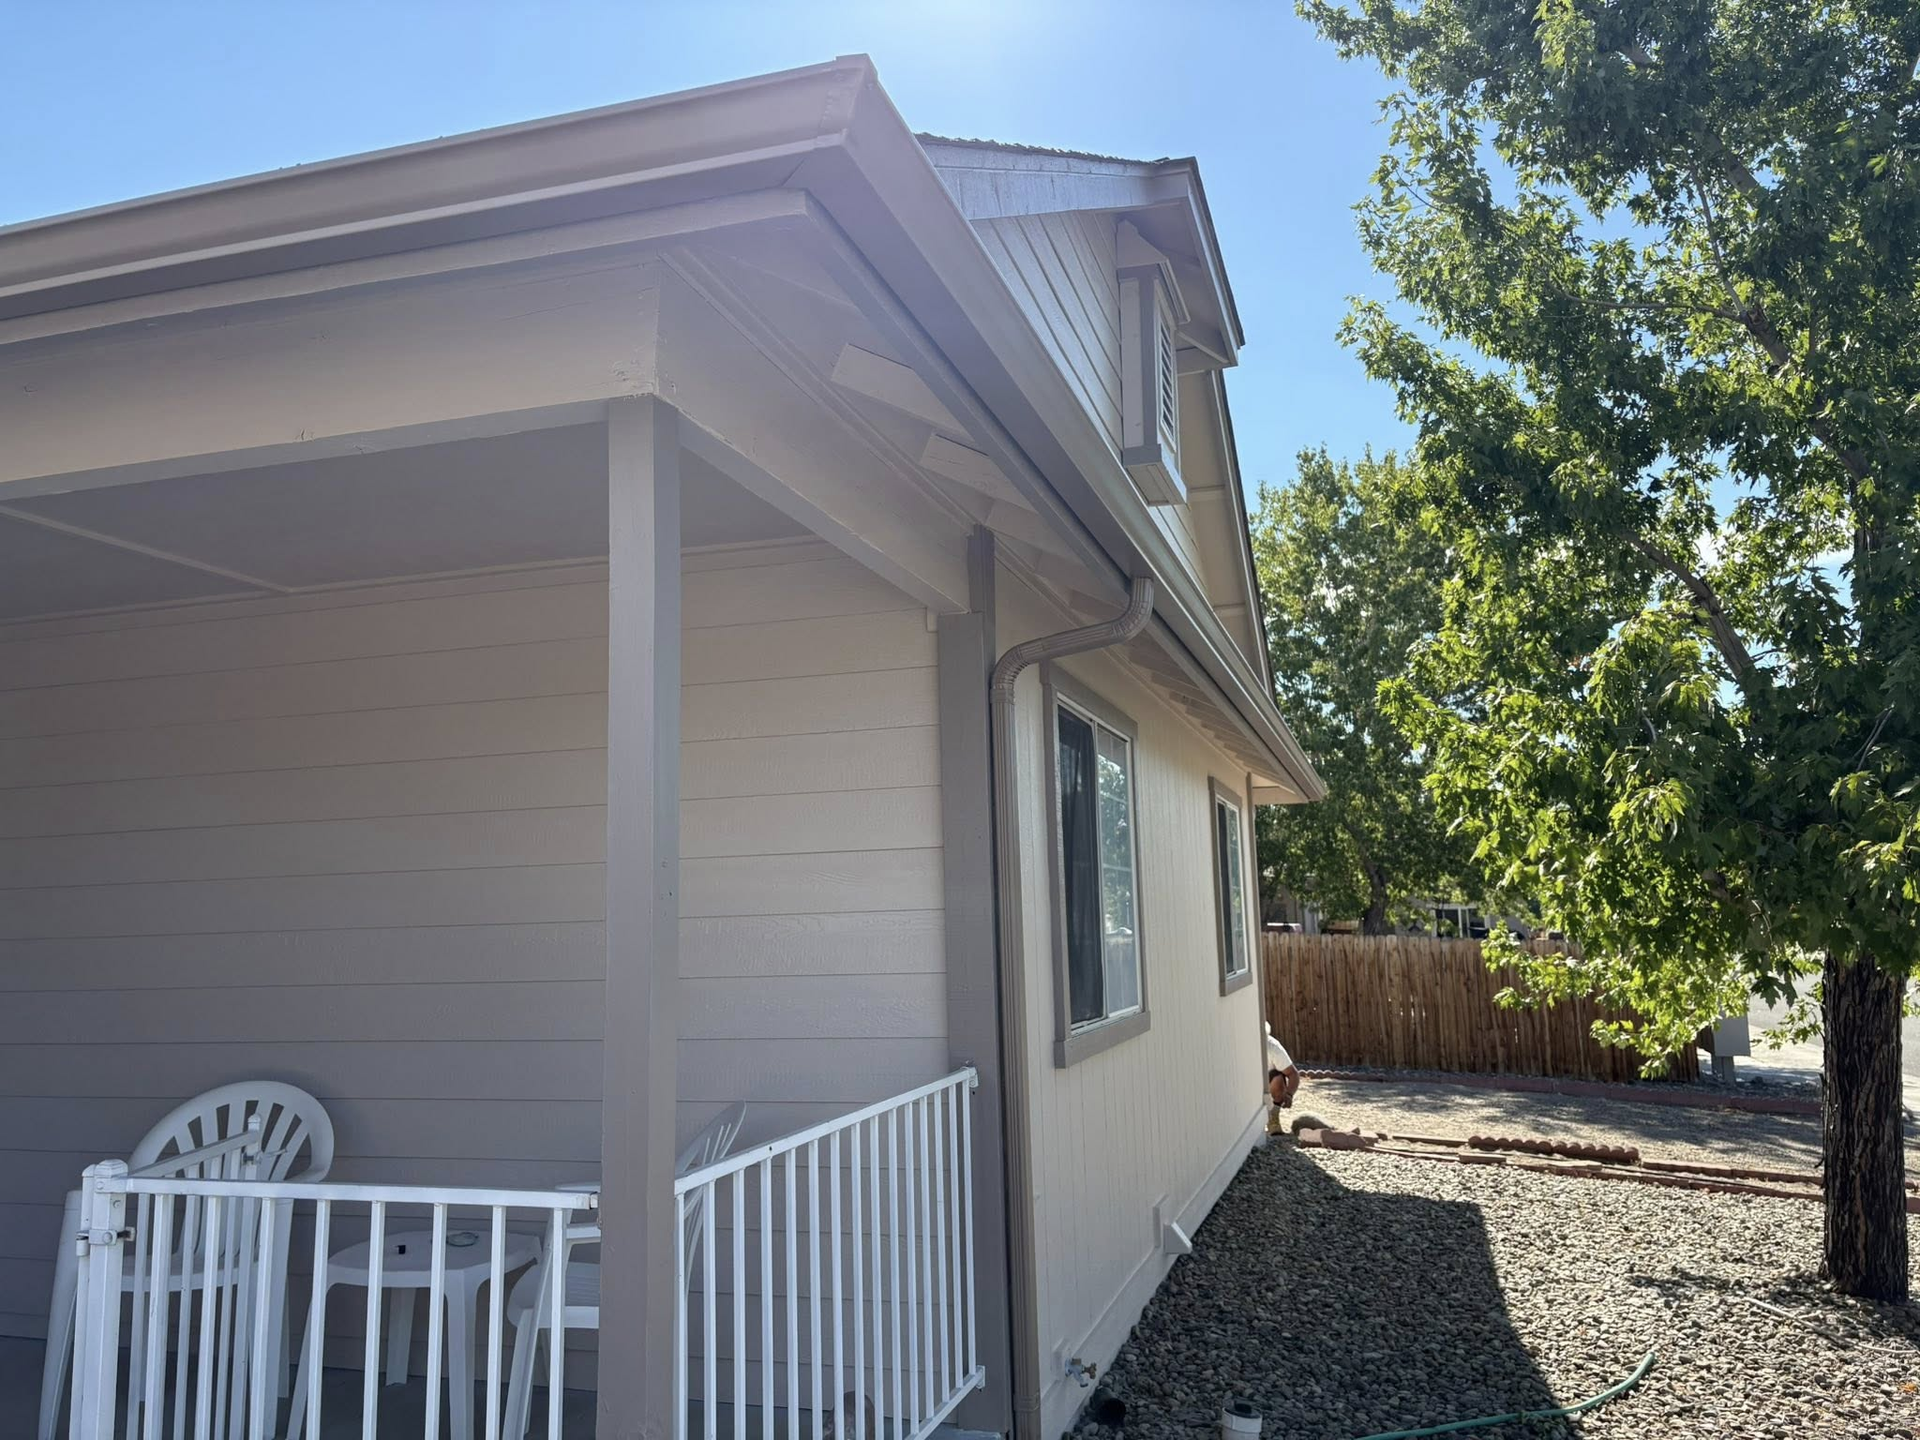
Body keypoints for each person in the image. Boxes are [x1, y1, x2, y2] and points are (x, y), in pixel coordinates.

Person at [1265, 1022, 1301, 1131]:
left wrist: (1289, 1094)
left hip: (1267, 1083)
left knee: (1278, 1078)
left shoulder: (1272, 1046)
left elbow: (1292, 1074)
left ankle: (1273, 1116)